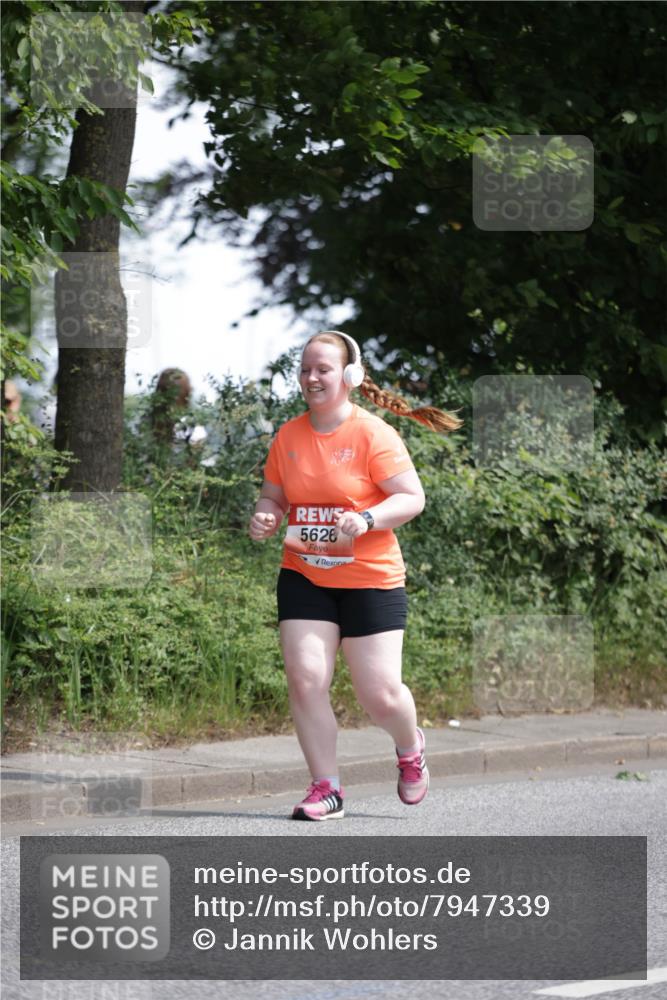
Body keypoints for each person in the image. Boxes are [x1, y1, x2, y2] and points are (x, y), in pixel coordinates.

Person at [248, 331, 462, 821]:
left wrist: (367, 519)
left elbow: (411, 498)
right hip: (305, 572)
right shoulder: (289, 436)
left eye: (322, 369)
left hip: (370, 576)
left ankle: (410, 748)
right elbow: (273, 496)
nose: (311, 378)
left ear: (348, 376)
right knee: (306, 680)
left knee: (380, 695)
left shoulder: (373, 434)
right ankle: (327, 787)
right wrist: (266, 516)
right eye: (304, 369)